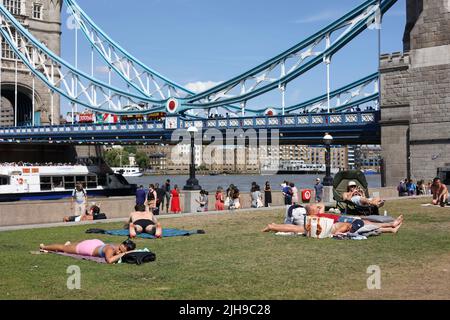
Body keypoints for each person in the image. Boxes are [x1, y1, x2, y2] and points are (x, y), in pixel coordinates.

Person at [262, 204, 403, 235]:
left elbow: (321, 205)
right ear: (309, 212)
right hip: (340, 222)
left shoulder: (317, 215)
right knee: (366, 224)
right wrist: (274, 226)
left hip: (339, 220)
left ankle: (391, 227)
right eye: (312, 206)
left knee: (366, 223)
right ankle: (391, 226)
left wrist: (274, 226)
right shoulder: (311, 219)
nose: (316, 206)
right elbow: (292, 228)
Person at [39, 239, 136, 264]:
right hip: (88, 248)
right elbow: (109, 260)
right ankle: (44, 247)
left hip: (96, 244)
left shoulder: (116, 245)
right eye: (120, 249)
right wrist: (124, 254)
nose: (119, 252)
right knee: (63, 248)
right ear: (120, 245)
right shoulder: (110, 249)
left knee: (68, 247)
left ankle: (69, 245)